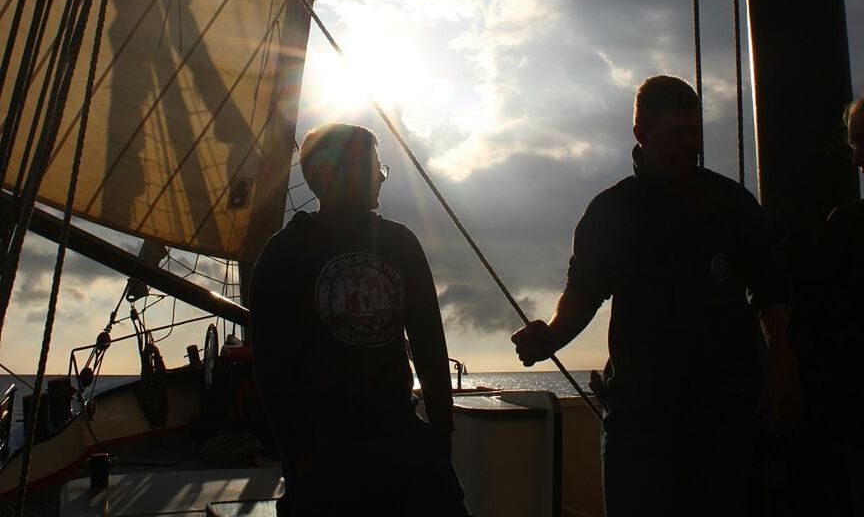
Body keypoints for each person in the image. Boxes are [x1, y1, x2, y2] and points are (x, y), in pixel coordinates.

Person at [511, 75, 799, 517]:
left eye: (695, 131)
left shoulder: (731, 204)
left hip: (727, 412)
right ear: (641, 135)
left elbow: (771, 290)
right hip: (641, 417)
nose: (691, 143)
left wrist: (781, 364)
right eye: (677, 133)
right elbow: (584, 291)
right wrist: (550, 336)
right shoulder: (611, 211)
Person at [249, 123, 468, 517]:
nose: (380, 181)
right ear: (333, 175)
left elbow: (428, 343)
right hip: (324, 449)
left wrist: (440, 435)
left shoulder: (401, 244)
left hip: (398, 434)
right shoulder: (285, 254)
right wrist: (297, 452)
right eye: (375, 170)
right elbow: (270, 364)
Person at [792, 96, 864, 516]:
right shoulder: (845, 226)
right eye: (853, 143)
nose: (855, 157)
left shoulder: (847, 229)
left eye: (862, 142)